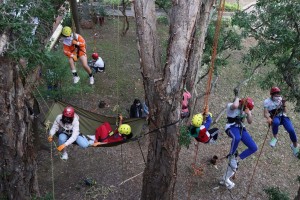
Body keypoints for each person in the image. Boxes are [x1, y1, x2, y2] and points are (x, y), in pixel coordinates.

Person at [220, 96, 258, 189]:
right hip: (231, 127)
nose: (244, 109)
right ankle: (231, 155)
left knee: (254, 147)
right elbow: (235, 105)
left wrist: (248, 114)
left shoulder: (246, 109)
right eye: (244, 107)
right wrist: (238, 98)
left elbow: (250, 122)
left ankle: (237, 158)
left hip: (241, 128)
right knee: (237, 138)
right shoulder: (231, 106)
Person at [263, 87, 299, 157]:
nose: (277, 96)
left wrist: (284, 103)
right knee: (275, 122)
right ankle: (275, 138)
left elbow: (285, 111)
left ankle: (294, 146)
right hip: (274, 116)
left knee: (291, 130)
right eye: (275, 94)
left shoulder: (280, 99)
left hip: (283, 116)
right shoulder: (267, 102)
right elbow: (265, 113)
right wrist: (268, 118)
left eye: (278, 94)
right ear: (272, 94)